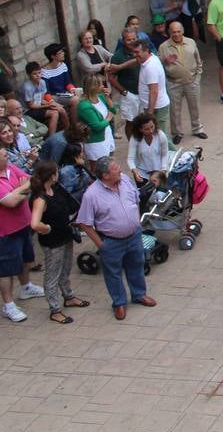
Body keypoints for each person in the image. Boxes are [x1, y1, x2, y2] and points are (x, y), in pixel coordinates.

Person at [74, 157, 156, 321]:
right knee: (113, 274)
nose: (120, 170)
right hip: (111, 242)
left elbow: (135, 199)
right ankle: (119, 303)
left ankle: (139, 294)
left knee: (137, 265)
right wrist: (101, 244)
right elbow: (84, 223)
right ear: (105, 175)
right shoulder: (92, 195)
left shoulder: (124, 180)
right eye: (115, 169)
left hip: (134, 236)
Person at [27, 160, 87, 324]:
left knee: (66, 268)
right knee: (52, 275)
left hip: (65, 236)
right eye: (56, 171)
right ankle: (55, 309)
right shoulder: (40, 199)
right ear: (51, 175)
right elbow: (34, 223)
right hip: (53, 243)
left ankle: (68, 296)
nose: (58, 173)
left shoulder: (56, 188)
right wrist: (46, 228)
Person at [0, 144, 44, 322]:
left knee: (26, 259)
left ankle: (26, 287)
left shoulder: (11, 168)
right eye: (3, 155)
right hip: (5, 232)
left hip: (23, 225)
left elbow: (32, 181)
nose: (6, 156)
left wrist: (18, 192)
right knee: (5, 270)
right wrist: (22, 191)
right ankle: (8, 304)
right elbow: (9, 202)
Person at [158, 21, 206, 144]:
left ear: (183, 31)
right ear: (169, 32)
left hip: (192, 81)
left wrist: (198, 77)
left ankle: (197, 129)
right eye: (173, 32)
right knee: (174, 110)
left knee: (195, 106)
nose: (176, 34)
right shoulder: (163, 47)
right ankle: (177, 133)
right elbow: (158, 66)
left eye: (179, 31)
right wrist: (165, 61)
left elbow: (198, 60)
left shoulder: (191, 42)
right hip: (173, 83)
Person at [75, 75, 117, 162]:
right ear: (94, 87)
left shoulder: (101, 97)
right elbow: (97, 126)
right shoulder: (84, 106)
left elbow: (114, 110)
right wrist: (108, 118)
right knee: (97, 167)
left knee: (109, 163)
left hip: (107, 135)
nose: (103, 86)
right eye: (101, 84)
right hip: (96, 141)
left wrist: (108, 97)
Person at [134, 39, 171, 132]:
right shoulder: (151, 58)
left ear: (146, 51)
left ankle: (172, 148)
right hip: (155, 106)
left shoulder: (150, 68)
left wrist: (150, 113)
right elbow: (135, 61)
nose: (135, 55)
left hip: (156, 108)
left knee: (160, 135)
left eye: (137, 52)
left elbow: (154, 91)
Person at [107, 27, 142, 125]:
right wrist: (124, 92)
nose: (131, 42)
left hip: (144, 93)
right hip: (129, 95)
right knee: (130, 123)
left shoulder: (142, 51)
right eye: (128, 40)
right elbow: (111, 77)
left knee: (144, 120)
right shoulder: (117, 56)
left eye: (134, 39)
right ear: (123, 41)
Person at [19, 61, 64, 133]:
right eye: (34, 74)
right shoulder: (27, 87)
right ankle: (51, 137)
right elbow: (31, 106)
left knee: (60, 109)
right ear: (29, 75)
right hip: (28, 110)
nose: (38, 75)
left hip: (38, 105)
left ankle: (67, 129)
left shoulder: (42, 82)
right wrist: (48, 105)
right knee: (54, 113)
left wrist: (52, 103)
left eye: (39, 73)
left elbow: (41, 99)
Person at [127, 112, 170, 187]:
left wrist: (163, 170)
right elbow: (130, 159)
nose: (150, 131)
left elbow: (165, 154)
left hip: (159, 171)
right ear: (140, 129)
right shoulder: (134, 139)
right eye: (146, 129)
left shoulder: (161, 135)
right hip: (142, 173)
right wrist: (134, 171)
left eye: (152, 127)